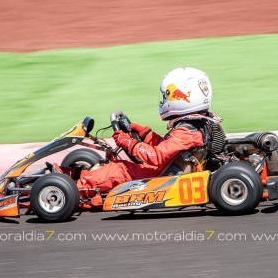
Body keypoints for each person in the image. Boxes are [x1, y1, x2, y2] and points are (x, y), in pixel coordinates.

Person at [76, 67, 221, 205]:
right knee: (120, 166)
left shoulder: (186, 130)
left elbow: (157, 156)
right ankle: (78, 176)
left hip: (164, 177)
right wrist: (145, 133)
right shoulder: (196, 123)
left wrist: (128, 143)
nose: (164, 99)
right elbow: (168, 149)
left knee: (119, 169)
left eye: (167, 95)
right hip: (170, 167)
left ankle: (76, 187)